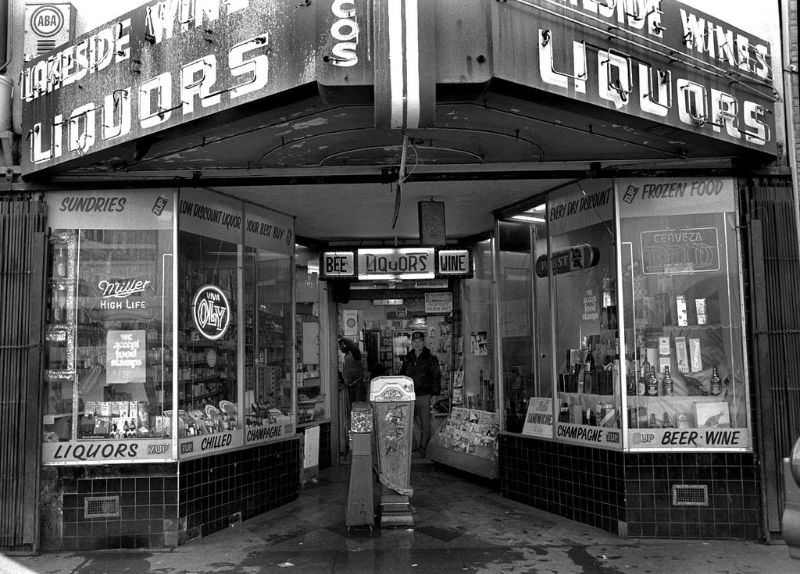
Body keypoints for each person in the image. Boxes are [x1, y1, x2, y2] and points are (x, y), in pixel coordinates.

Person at [400, 331, 441, 457]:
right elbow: (402, 375)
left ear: (424, 342)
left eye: (420, 341)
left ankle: (423, 449)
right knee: (408, 422)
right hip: (409, 395)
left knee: (425, 423)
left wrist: (435, 394)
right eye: (415, 341)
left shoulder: (431, 358)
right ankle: (412, 447)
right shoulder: (408, 358)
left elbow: (436, 376)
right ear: (411, 343)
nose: (417, 344)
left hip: (424, 395)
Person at [338, 337, 366, 406]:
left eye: (341, 346)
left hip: (357, 383)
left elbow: (352, 369)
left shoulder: (354, 353)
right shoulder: (348, 354)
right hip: (351, 383)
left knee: (358, 404)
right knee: (352, 405)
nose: (340, 349)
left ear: (346, 345)